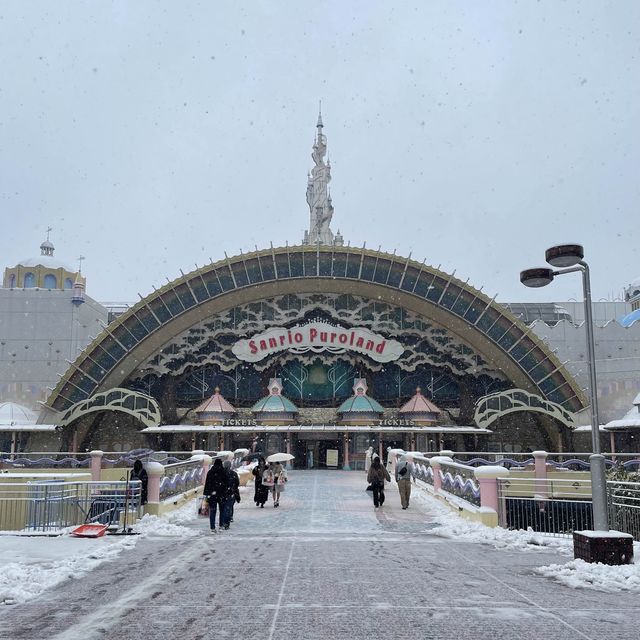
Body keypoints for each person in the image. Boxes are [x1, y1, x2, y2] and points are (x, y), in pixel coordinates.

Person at [203, 458, 229, 532]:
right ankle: (221, 525)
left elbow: (207, 484)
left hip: (212, 495)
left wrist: (206, 494)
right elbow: (227, 483)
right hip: (222, 494)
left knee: (213, 511)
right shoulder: (223, 472)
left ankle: (212, 527)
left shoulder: (210, 472)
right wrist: (225, 491)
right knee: (222, 510)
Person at [222, 459, 240, 528]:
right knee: (229, 507)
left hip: (223, 493)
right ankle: (228, 520)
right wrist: (233, 488)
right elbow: (237, 483)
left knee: (223, 508)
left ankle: (224, 521)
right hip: (231, 493)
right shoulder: (233, 473)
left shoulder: (221, 474)